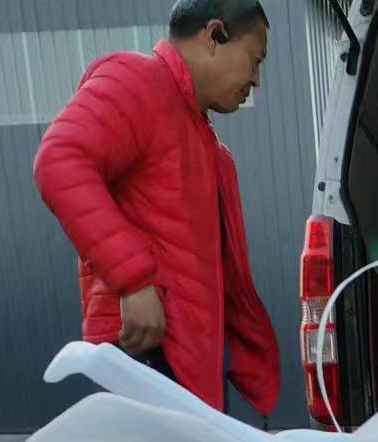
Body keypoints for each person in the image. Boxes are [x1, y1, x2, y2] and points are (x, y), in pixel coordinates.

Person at [33, 1, 279, 417]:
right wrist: (134, 282)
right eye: (255, 60)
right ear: (214, 35)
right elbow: (59, 161)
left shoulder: (200, 136)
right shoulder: (139, 82)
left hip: (184, 361)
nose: (256, 79)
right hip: (148, 354)